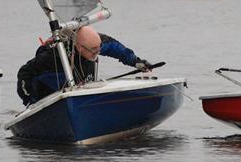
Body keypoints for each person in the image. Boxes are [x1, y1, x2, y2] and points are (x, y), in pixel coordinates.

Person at [16, 26, 152, 105]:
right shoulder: (54, 57)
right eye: (94, 50)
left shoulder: (94, 43)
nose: (97, 53)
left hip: (81, 94)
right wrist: (29, 101)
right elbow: (24, 73)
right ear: (78, 47)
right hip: (49, 99)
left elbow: (118, 50)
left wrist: (136, 62)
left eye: (99, 48)